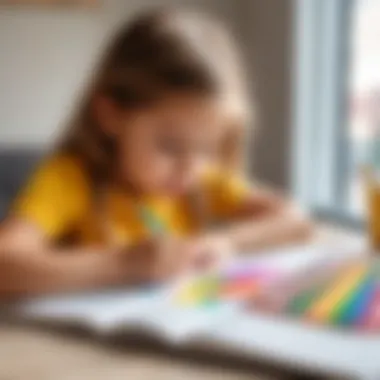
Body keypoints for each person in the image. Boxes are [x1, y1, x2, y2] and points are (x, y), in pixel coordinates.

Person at [0, 8, 312, 299]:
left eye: (207, 148)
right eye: (170, 146)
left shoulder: (201, 182)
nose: (190, 167)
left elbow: (296, 221)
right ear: (111, 116)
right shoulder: (70, 180)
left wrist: (224, 243)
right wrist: (123, 264)